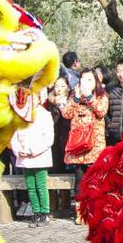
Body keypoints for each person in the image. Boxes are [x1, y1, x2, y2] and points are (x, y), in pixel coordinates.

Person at [64, 69, 109, 223]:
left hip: (94, 145)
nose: (86, 82)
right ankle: (80, 213)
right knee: (79, 181)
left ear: (96, 81)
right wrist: (76, 98)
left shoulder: (101, 96)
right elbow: (66, 114)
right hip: (77, 146)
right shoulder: (74, 95)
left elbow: (101, 111)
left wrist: (89, 96)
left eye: (89, 79)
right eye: (83, 79)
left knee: (95, 181)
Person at [10, 90, 55, 226]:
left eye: (34, 98)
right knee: (30, 186)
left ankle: (45, 213)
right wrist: (18, 150)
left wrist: (32, 151)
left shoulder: (45, 115)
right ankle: (36, 212)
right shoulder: (21, 115)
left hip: (39, 156)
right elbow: (14, 136)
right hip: (24, 157)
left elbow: (48, 138)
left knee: (40, 185)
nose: (32, 101)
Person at [47, 76, 74, 214]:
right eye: (57, 86)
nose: (59, 89)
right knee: (52, 170)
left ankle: (65, 202)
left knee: (66, 170)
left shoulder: (71, 102)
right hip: (53, 141)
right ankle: (52, 202)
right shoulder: (49, 102)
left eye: (62, 86)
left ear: (68, 88)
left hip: (68, 139)